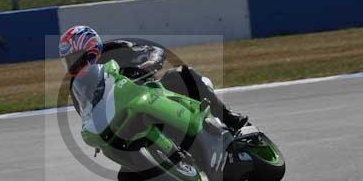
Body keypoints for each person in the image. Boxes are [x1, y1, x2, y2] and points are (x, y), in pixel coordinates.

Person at [59, 25, 248, 130]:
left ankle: (227, 116)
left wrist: (147, 64)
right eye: (68, 60)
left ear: (91, 49)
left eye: (75, 57)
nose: (72, 64)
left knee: (181, 74)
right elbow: (87, 116)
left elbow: (154, 51)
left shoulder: (117, 49)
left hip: (151, 94)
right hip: (122, 117)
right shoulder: (77, 87)